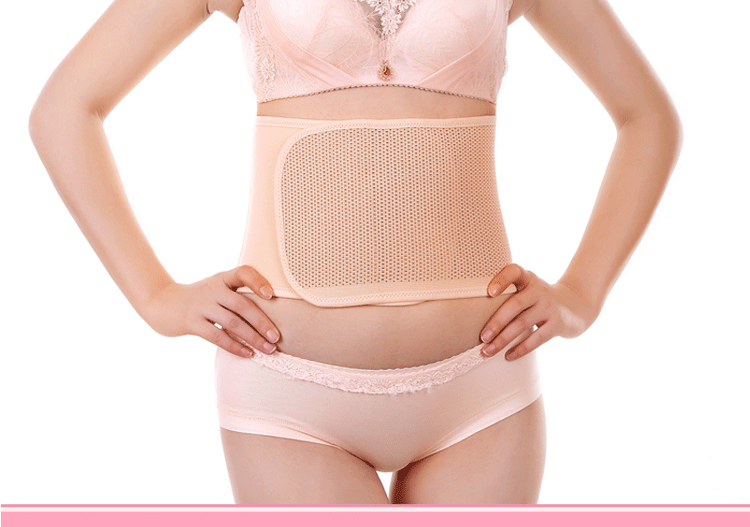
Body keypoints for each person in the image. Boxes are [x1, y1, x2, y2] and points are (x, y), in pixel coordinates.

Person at [28, 0, 682, 505]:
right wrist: (154, 295)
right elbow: (65, 108)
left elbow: (648, 116)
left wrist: (582, 293)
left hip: (482, 386)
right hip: (291, 393)